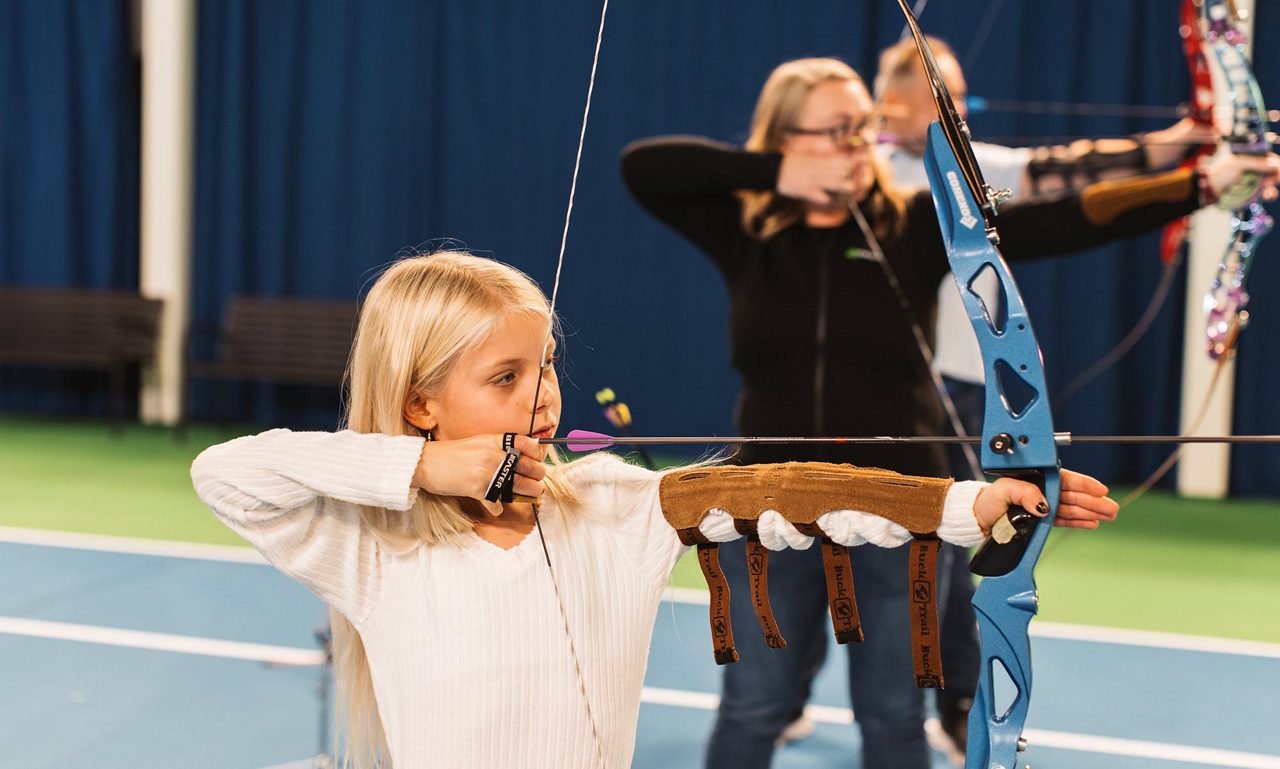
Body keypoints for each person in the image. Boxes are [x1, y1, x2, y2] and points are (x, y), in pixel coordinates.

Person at [189, 250, 1120, 769]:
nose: (544, 394)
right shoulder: (373, 542)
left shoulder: (610, 505)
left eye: (546, 364)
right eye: (507, 376)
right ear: (420, 401)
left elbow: (784, 494)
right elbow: (227, 471)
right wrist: (426, 468)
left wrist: (970, 502)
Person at [620, 57, 1276, 769]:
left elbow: (1051, 222)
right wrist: (772, 176)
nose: (856, 144)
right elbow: (644, 167)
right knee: (753, 706)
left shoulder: (908, 223)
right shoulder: (746, 230)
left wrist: (1199, 185)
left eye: (861, 128)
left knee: (896, 712)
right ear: (785, 138)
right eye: (834, 130)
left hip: (906, 501)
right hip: (772, 501)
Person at [871, 35, 1219, 761]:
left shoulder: (974, 170)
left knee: (969, 555)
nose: (959, 110)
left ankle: (958, 699)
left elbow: (1072, 175)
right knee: (868, 552)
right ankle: (807, 693)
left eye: (963, 96)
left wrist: (1183, 148)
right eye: (945, 96)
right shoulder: (864, 180)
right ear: (895, 99)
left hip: (975, 396)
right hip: (892, 398)